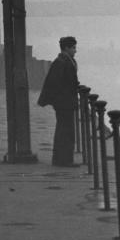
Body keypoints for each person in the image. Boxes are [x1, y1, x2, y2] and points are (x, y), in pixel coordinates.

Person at [38, 36, 80, 167]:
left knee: (64, 130)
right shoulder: (62, 62)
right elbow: (55, 83)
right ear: (66, 48)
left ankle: (62, 159)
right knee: (65, 131)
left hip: (65, 102)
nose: (75, 50)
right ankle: (64, 160)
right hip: (64, 103)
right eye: (73, 48)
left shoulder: (64, 60)